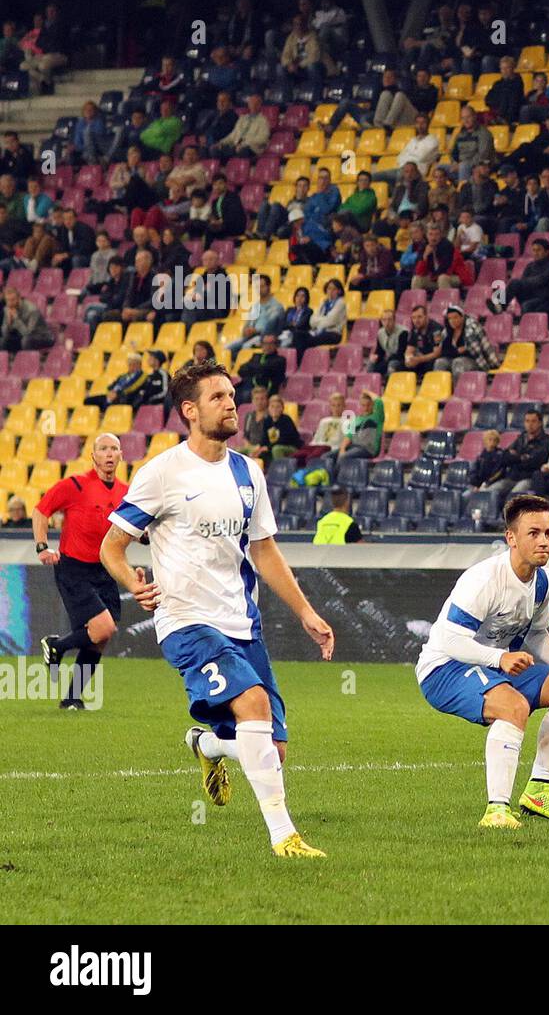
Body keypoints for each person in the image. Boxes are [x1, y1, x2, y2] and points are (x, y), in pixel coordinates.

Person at [101, 359, 335, 857]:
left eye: (232, 396)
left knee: (272, 750)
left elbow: (264, 550)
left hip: (242, 623)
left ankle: (207, 746)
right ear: (189, 410)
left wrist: (306, 612)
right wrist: (133, 584)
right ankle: (284, 837)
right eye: (218, 397)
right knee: (252, 704)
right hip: (185, 621)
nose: (232, 404)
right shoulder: (161, 473)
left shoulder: (248, 471)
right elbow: (112, 547)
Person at [416, 494, 549, 828]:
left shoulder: (543, 581)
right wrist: (499, 657)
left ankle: (540, 791)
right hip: (444, 669)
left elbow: (537, 635)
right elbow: (449, 640)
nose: (544, 541)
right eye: (534, 533)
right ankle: (496, 810)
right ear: (511, 538)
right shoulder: (484, 580)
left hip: (499, 664)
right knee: (513, 706)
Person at [34, 434, 128, 711]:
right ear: (93, 456)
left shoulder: (126, 492)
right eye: (103, 449)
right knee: (104, 627)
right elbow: (41, 511)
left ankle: (72, 699)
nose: (109, 454)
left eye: (114, 449)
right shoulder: (75, 485)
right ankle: (57, 646)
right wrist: (42, 546)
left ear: (121, 455)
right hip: (73, 568)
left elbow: (134, 529)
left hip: (105, 567)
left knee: (101, 637)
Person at [500, 410, 549, 496]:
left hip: (529, 479)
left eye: (533, 421)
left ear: (540, 423)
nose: (530, 424)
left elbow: (533, 462)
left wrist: (515, 457)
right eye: (527, 421)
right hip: (512, 477)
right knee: (489, 492)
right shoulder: (521, 438)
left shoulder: (546, 441)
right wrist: (522, 457)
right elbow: (504, 456)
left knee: (513, 496)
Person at [335, 390, 385, 465]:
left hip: (367, 449)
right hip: (353, 447)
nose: (366, 408)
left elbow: (379, 401)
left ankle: (334, 476)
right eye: (363, 405)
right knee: (326, 456)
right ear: (360, 405)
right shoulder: (355, 420)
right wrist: (342, 449)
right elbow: (348, 437)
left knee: (343, 457)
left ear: (373, 405)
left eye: (368, 405)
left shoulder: (377, 417)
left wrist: (367, 391)